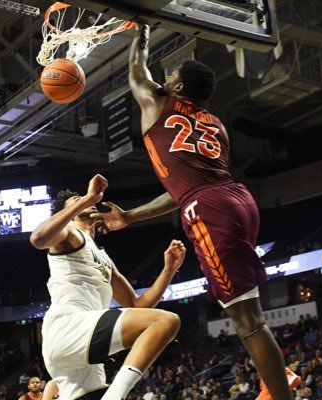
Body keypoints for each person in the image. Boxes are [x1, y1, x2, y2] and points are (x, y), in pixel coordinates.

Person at [90, 24, 297, 400]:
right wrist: (131, 216)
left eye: (171, 76)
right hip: (235, 198)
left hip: (210, 207)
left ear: (180, 88)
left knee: (248, 321)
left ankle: (281, 392)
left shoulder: (157, 104)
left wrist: (142, 30)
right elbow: (184, 190)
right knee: (243, 309)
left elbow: (136, 72)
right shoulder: (215, 124)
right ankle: (277, 382)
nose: (165, 79)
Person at [30, 174, 185, 400]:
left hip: (82, 354)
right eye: (76, 200)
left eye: (86, 198)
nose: (86, 199)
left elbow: (137, 304)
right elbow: (38, 238)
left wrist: (168, 270)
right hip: (67, 327)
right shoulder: (70, 233)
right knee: (166, 320)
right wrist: (87, 198)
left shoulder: (103, 257)